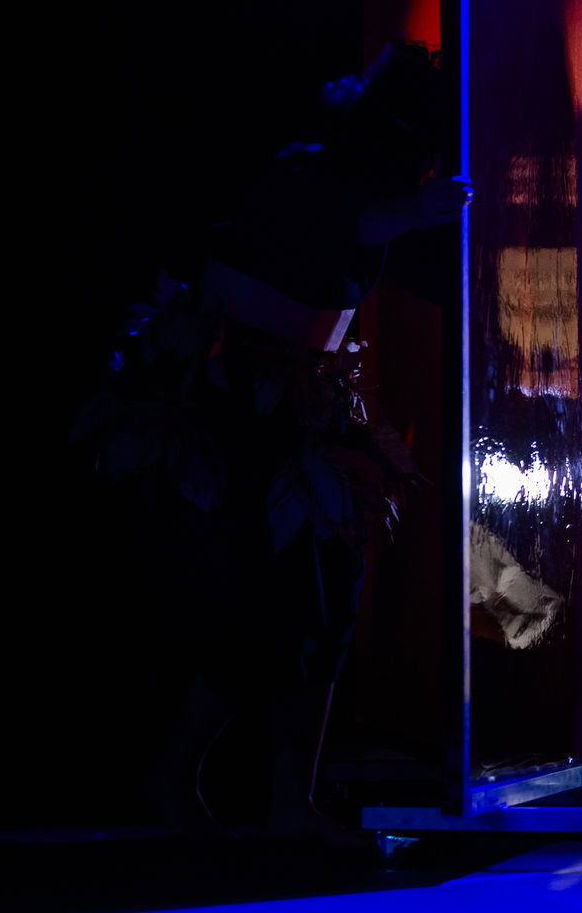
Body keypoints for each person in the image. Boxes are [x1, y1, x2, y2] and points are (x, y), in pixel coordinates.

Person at [76, 42, 468, 840]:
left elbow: (393, 238)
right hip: (235, 412)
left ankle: (288, 796)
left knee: (325, 601)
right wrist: (420, 209)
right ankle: (178, 779)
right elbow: (350, 222)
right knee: (264, 602)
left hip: (301, 410)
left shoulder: (372, 193)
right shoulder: (311, 177)